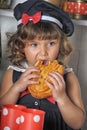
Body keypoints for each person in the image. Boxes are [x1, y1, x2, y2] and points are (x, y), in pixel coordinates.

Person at [0, 0, 85, 130]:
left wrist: (62, 98)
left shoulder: (68, 78)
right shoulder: (14, 74)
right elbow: (2, 109)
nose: (44, 53)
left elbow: (78, 123)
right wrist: (17, 88)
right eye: (34, 45)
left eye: (51, 43)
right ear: (21, 46)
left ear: (60, 44)